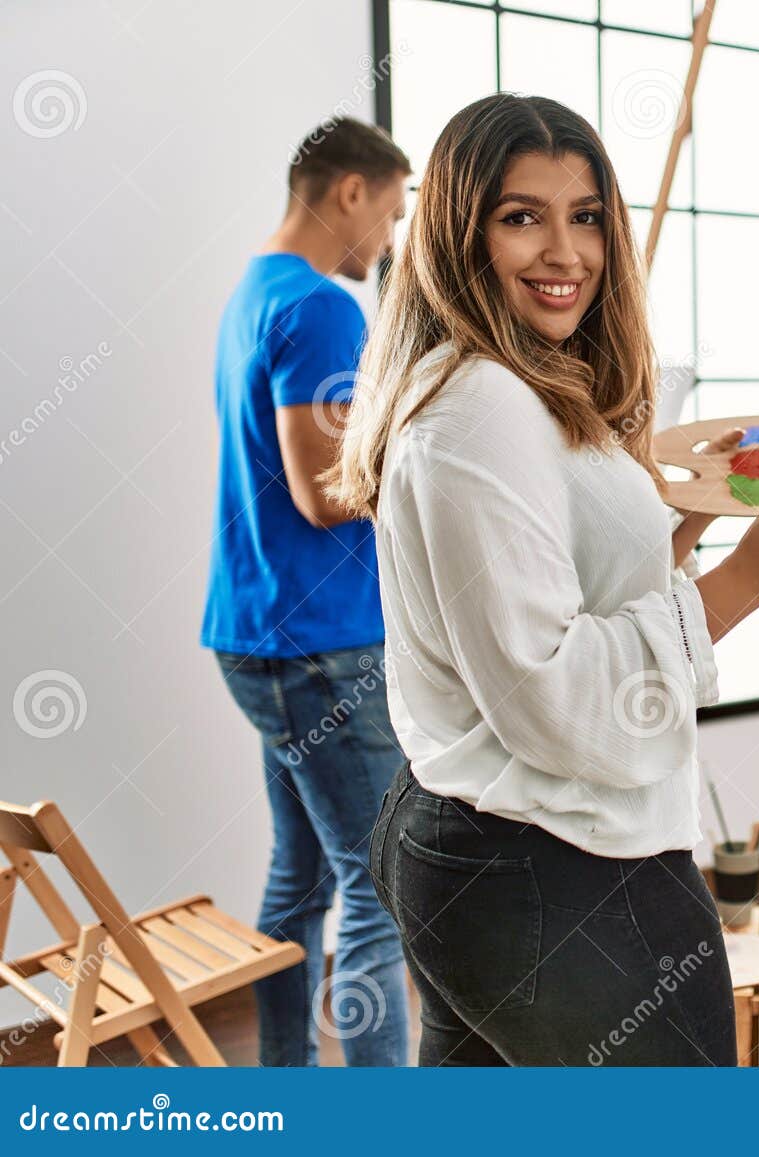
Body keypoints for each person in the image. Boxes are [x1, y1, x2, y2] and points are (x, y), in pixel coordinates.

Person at [326, 94, 759, 1066]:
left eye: (587, 216)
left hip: (487, 849)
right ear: (460, 233)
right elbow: (549, 689)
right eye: (522, 217)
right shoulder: (482, 407)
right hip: (553, 860)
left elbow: (557, 589)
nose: (565, 252)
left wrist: (688, 517)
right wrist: (749, 578)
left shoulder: (512, 382)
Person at [202, 117, 412, 1066]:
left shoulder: (253, 291)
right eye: (392, 212)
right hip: (319, 641)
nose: (391, 238)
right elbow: (324, 494)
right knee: (380, 884)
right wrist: (422, 455)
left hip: (258, 632)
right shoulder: (324, 305)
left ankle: (284, 1081)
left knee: (303, 877)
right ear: (350, 192)